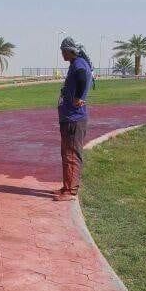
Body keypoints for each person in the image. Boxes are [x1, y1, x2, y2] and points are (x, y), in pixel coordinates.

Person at [54, 37, 93, 202]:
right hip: (69, 117)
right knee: (67, 153)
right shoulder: (77, 63)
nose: (62, 54)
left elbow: (83, 77)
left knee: (71, 154)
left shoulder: (78, 64)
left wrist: (78, 97)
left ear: (70, 51)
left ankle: (70, 191)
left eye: (63, 51)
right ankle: (67, 186)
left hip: (73, 119)